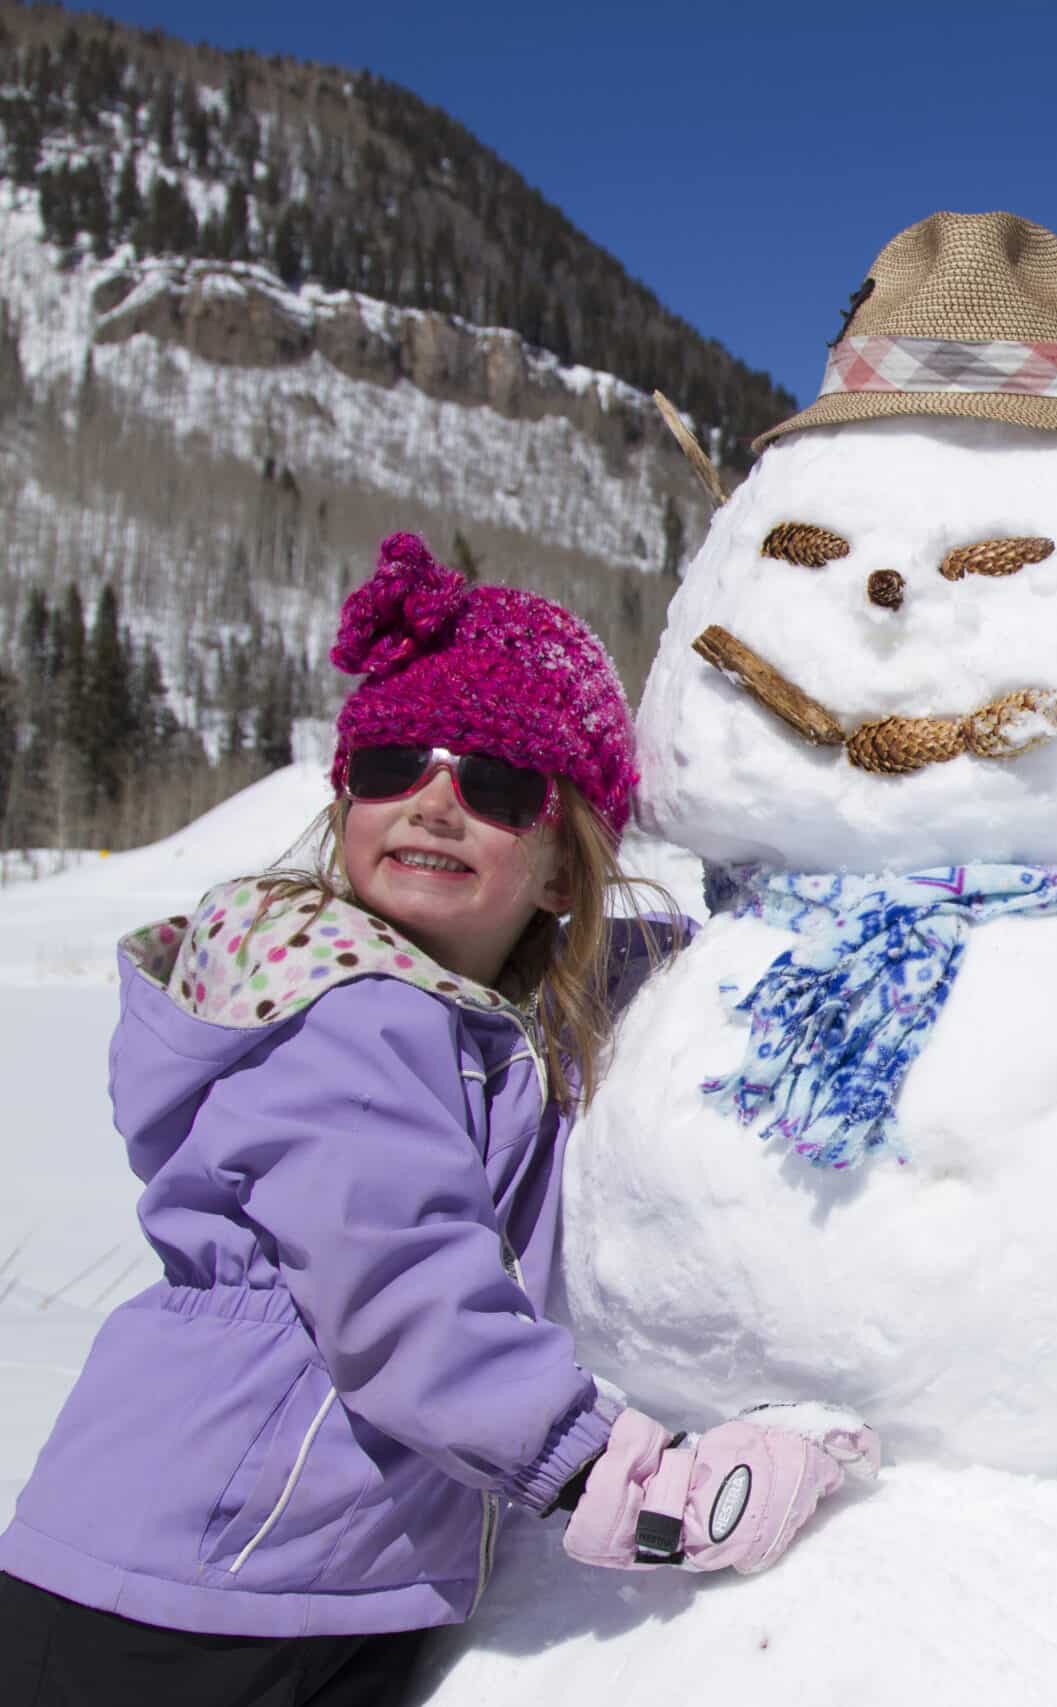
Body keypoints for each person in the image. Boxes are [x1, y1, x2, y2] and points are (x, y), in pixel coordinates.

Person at [0, 536, 869, 1707]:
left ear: (563, 872)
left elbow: (648, 977)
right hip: (181, 1581)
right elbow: (402, 1287)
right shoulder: (341, 1010)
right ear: (345, 797)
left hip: (324, 1578)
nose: (436, 803)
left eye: (501, 786)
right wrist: (612, 1475)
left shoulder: (491, 1013)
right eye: (395, 762)